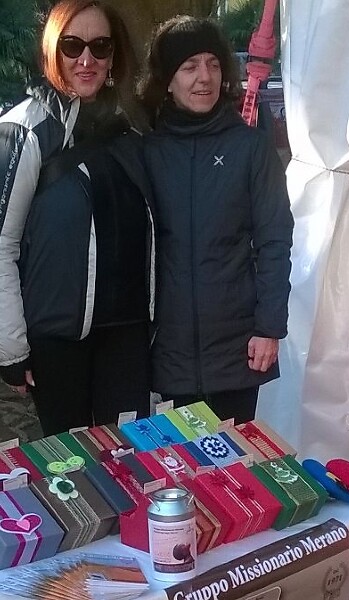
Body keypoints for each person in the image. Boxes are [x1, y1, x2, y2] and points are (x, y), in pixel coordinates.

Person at [0, 0, 156, 435]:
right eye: (73, 45)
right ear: (53, 50)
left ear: (114, 55)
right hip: (57, 338)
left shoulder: (132, 128)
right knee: (67, 463)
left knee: (128, 457)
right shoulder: (25, 130)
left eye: (100, 46)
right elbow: (2, 244)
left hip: (126, 333)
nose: (86, 60)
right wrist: (12, 350)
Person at [140, 16, 294, 424]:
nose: (204, 77)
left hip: (237, 347)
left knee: (235, 460)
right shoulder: (147, 152)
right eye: (189, 67)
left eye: (212, 64)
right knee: (177, 458)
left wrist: (269, 327)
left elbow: (275, 239)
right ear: (167, 80)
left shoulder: (250, 148)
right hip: (169, 351)